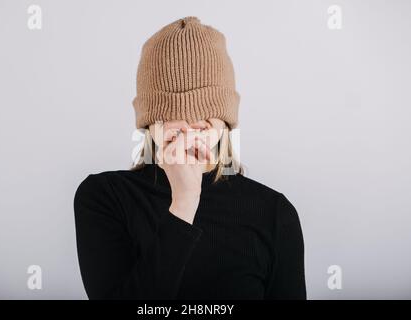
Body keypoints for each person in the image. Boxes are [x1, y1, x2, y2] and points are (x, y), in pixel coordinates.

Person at [73, 16, 306, 300]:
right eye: (173, 112)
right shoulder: (104, 197)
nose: (190, 123)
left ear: (225, 120)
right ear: (149, 122)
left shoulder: (274, 214)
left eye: (205, 112)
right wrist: (184, 202)